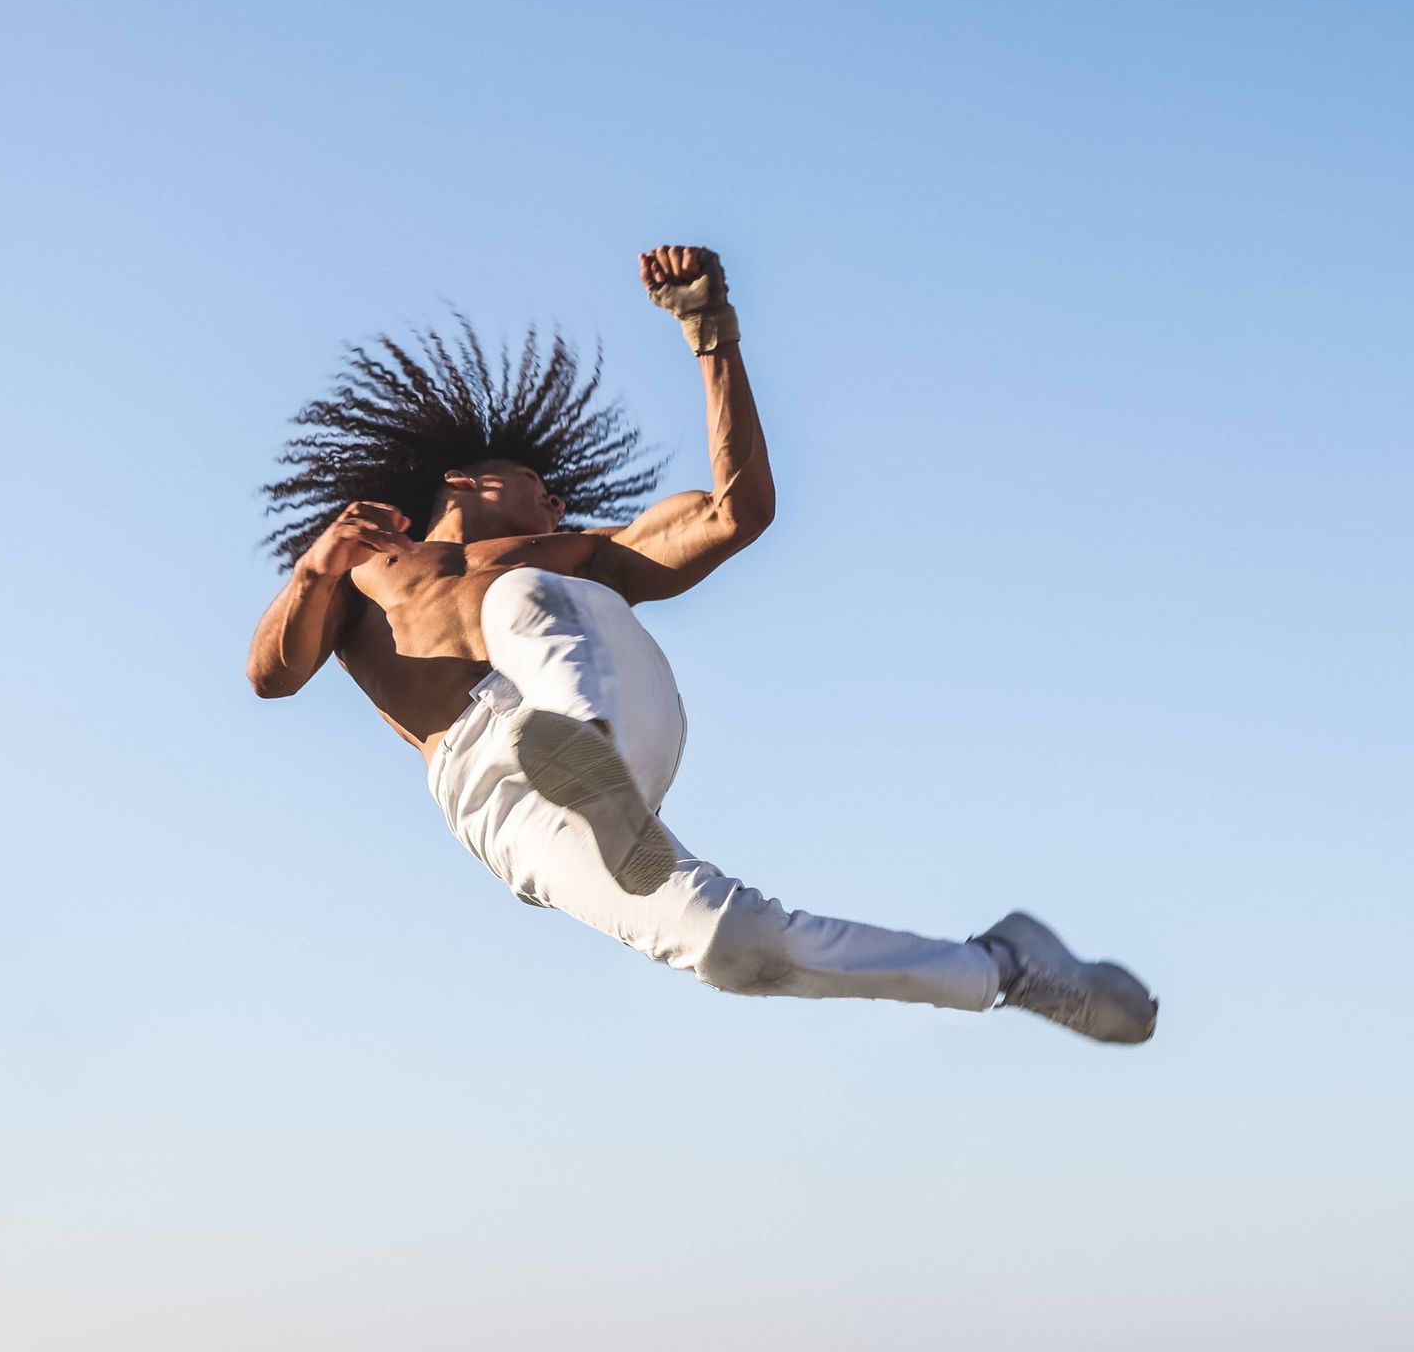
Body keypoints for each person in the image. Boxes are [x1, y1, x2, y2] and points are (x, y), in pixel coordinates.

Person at [249, 246, 1158, 1045]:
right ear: (465, 477)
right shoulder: (358, 576)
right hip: (493, 797)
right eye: (539, 485)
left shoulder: (574, 554)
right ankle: (1008, 969)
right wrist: (315, 569)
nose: (558, 504)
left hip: (597, 693)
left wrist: (711, 336)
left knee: (525, 593)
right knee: (731, 948)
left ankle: (591, 756)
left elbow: (735, 515)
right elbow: (271, 677)